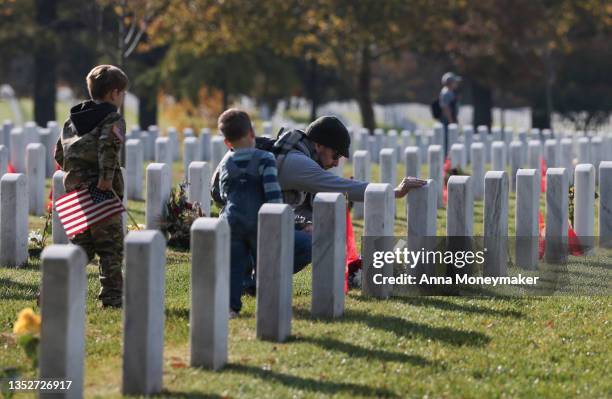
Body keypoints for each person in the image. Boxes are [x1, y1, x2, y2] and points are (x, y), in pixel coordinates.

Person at [54, 65, 128, 308]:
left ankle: (54, 287)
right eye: (122, 93)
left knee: (82, 246)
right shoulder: (113, 118)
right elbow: (108, 147)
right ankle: (112, 298)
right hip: (100, 189)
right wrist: (106, 179)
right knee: (110, 247)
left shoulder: (72, 119)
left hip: (77, 190)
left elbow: (59, 153)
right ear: (113, 93)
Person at [216, 109, 285, 316]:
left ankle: (231, 307)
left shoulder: (227, 162)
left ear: (227, 143)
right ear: (252, 133)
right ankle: (269, 305)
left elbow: (223, 192)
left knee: (234, 266)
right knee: (265, 264)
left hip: (232, 221)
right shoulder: (266, 159)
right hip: (260, 222)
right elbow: (273, 193)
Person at [439, 72, 461, 155]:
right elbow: (446, 108)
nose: (456, 83)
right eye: (454, 81)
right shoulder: (446, 93)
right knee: (448, 141)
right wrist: (451, 121)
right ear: (450, 82)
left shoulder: (450, 92)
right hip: (447, 122)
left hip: (450, 121)